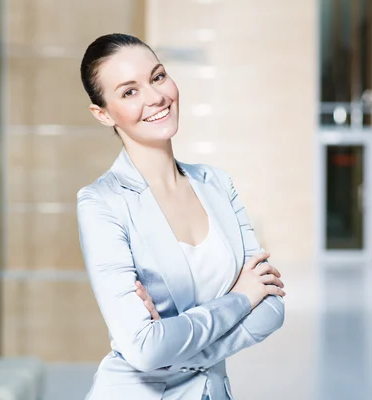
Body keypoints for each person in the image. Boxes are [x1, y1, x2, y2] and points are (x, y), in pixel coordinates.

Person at [77, 33, 286, 400]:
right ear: (103, 113)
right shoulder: (101, 203)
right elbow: (144, 349)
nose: (156, 97)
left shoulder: (217, 184)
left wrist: (172, 342)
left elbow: (271, 308)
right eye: (129, 92)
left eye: (157, 77)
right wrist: (239, 299)